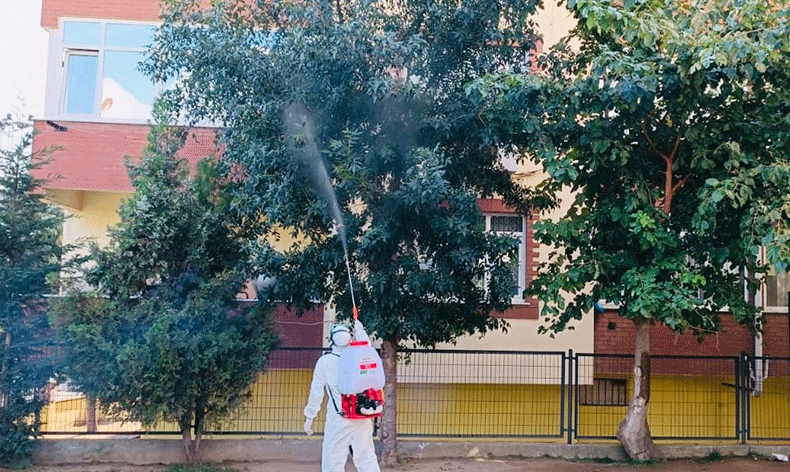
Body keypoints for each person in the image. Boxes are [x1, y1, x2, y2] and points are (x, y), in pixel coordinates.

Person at [303, 319, 381, 472]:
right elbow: (367, 347)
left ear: (332, 340)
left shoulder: (325, 362)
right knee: (366, 458)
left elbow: (316, 392)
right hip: (361, 413)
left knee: (333, 459)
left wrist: (310, 416)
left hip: (338, 416)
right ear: (350, 339)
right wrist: (360, 330)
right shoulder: (360, 357)